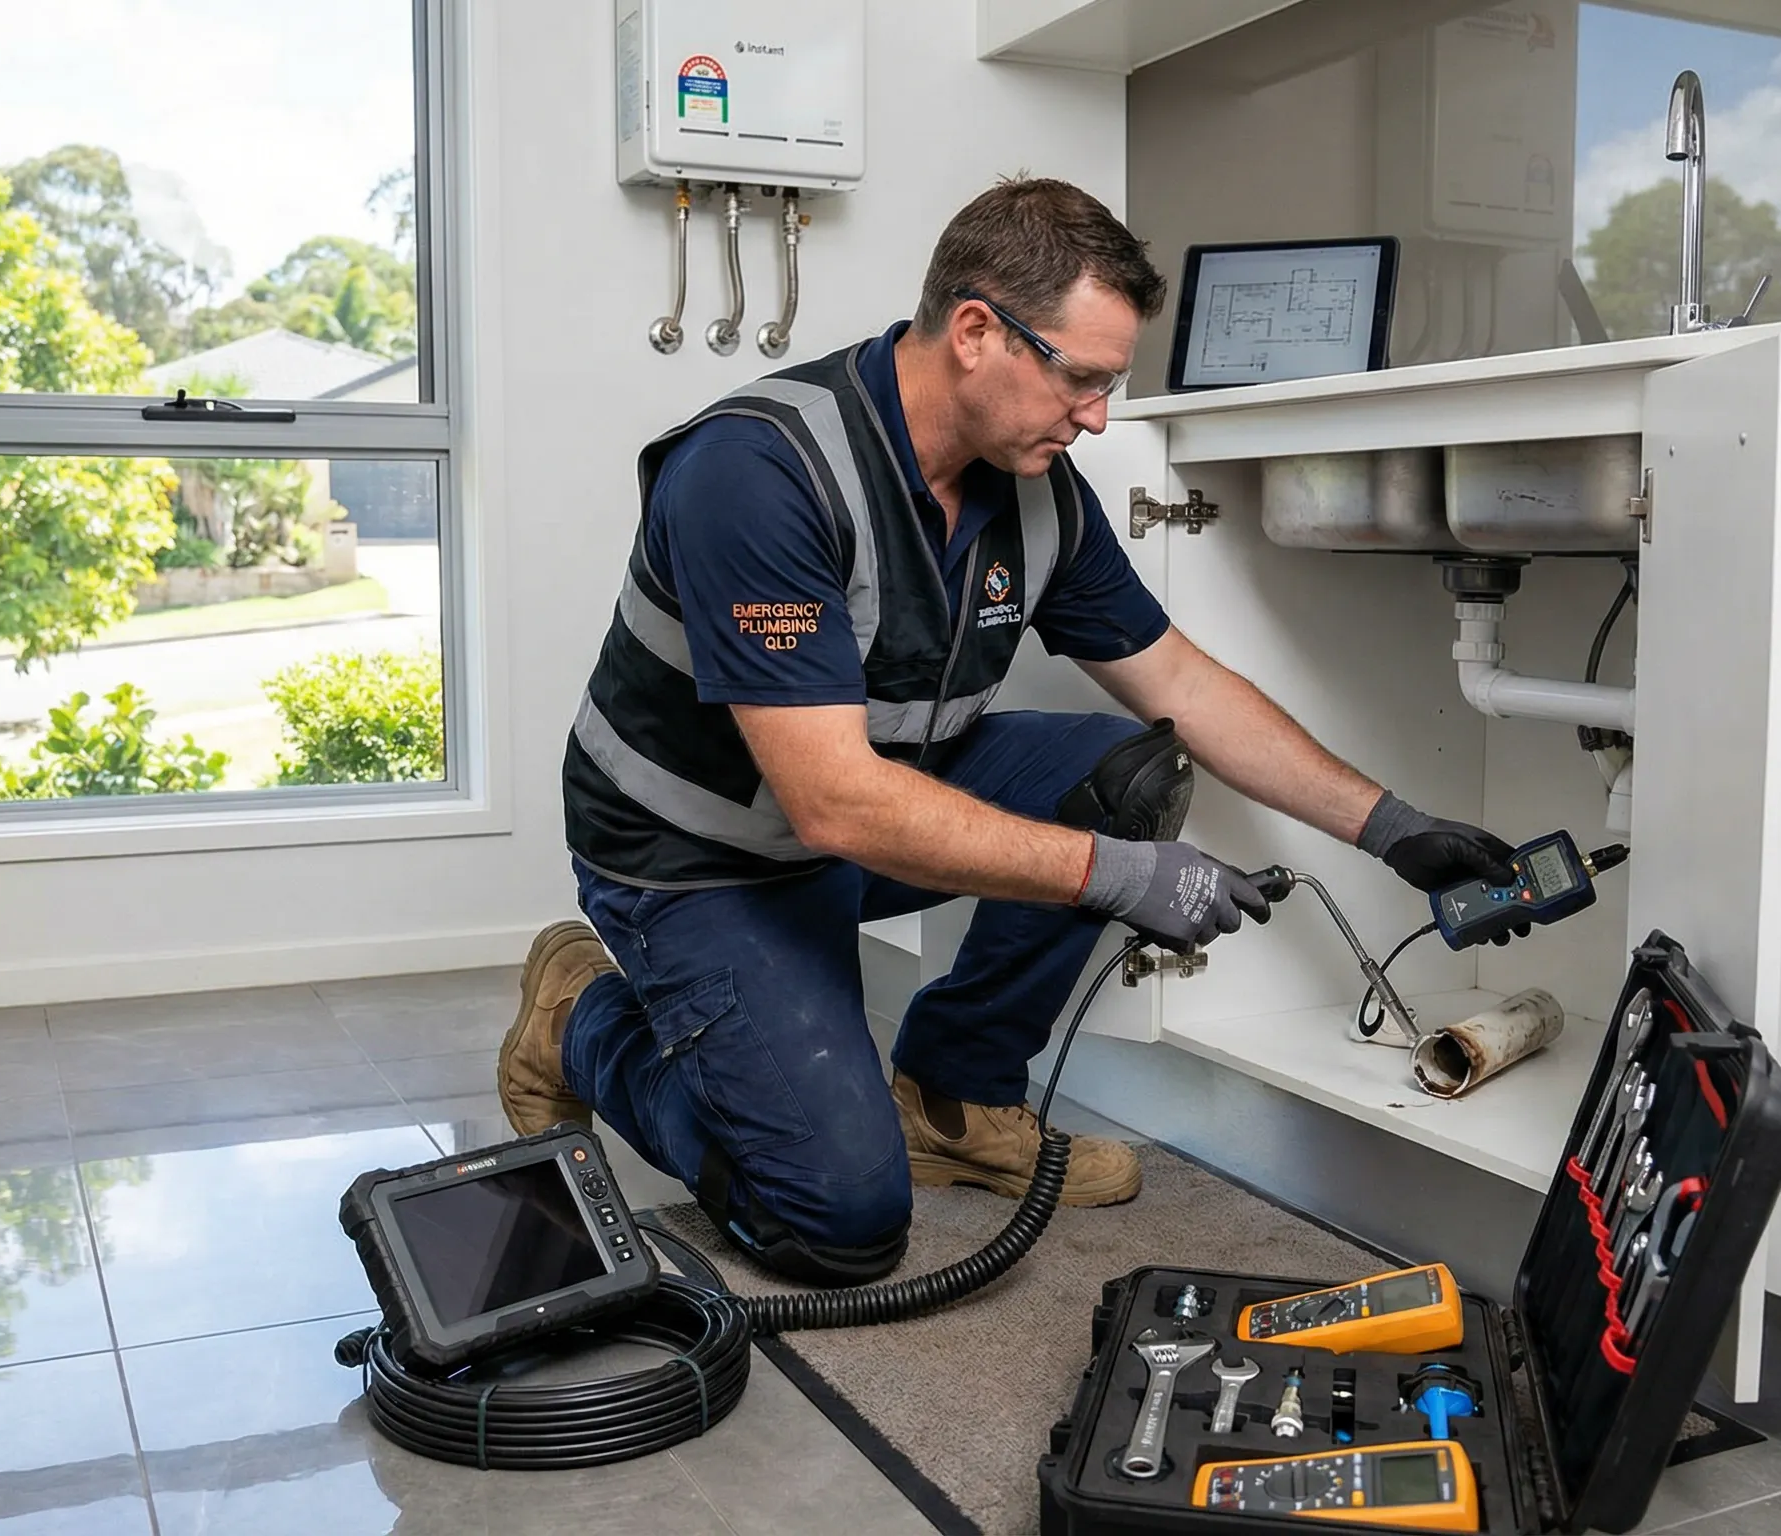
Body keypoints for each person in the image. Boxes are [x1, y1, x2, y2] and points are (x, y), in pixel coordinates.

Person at [502, 176, 1520, 1286]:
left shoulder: (1038, 494)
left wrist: (1391, 826)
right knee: (833, 1223)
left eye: (1109, 384)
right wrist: (1112, 877)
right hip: (699, 858)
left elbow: (1182, 680)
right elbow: (833, 800)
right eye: (1081, 377)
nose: (1096, 416)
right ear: (978, 332)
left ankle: (955, 1095)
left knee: (1119, 773)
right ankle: (580, 1018)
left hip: (862, 814)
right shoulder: (758, 475)